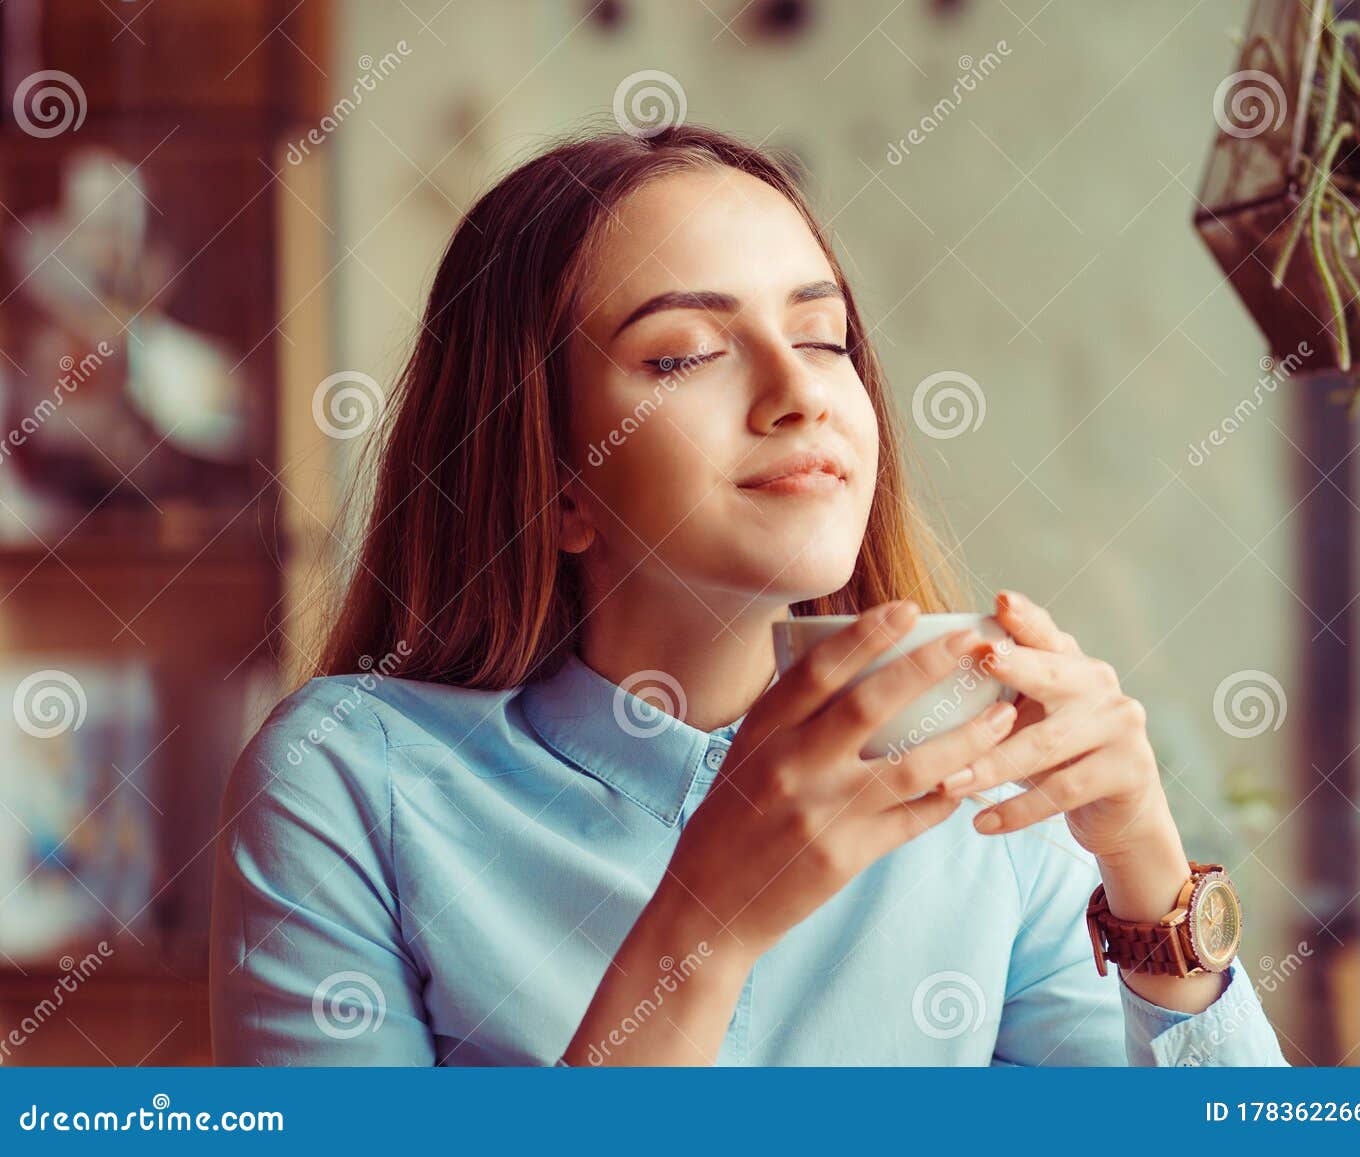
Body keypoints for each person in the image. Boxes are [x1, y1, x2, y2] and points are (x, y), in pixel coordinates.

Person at [209, 122, 1287, 1067]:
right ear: (551, 481)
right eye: (683, 356)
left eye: (823, 338)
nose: (800, 390)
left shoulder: (974, 780)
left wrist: (1150, 874)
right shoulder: (349, 778)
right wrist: (702, 926)